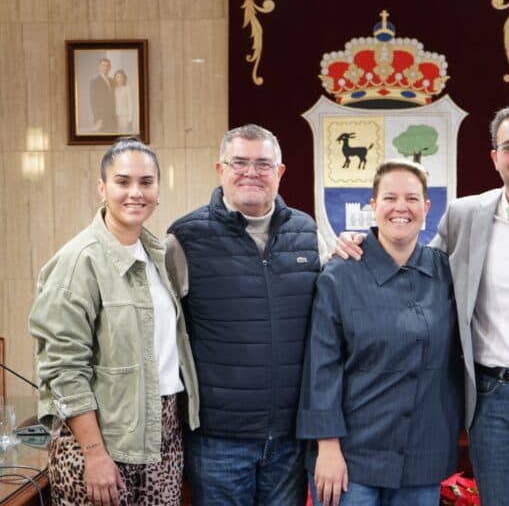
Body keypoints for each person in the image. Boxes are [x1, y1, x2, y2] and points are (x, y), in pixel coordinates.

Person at [335, 104, 509, 505]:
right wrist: (360, 242)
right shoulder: (464, 216)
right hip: (495, 399)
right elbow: (412, 269)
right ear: (494, 157)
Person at [29, 138, 200, 506]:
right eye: (123, 182)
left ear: (158, 189)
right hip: (99, 449)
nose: (135, 192)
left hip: (161, 443)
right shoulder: (78, 262)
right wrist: (94, 454)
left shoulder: (160, 255)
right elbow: (62, 369)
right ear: (102, 188)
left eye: (146, 182)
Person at [165, 123, 321, 505]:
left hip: (288, 440)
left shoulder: (307, 232)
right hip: (219, 441)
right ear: (220, 169)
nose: (251, 172)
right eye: (239, 162)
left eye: (263, 164)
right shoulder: (185, 238)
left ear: (280, 172)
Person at [297, 160, 463, 506]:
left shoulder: (447, 273)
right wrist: (327, 447)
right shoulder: (339, 275)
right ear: (372, 205)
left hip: (421, 458)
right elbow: (321, 368)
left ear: (427, 207)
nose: (401, 207)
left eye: (412, 199)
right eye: (390, 197)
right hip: (352, 459)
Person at [90, 58, 117, 132]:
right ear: (99, 67)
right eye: (103, 65)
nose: (105, 67)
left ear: (110, 68)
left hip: (113, 117)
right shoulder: (95, 82)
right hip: (102, 118)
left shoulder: (112, 81)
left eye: (107, 66)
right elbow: (93, 102)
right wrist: (98, 119)